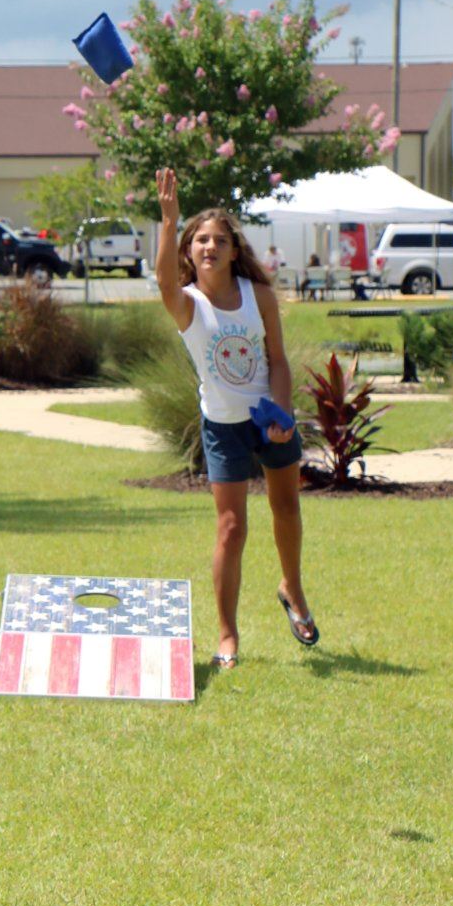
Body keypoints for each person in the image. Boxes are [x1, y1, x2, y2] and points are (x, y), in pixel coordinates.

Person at [155, 166, 318, 670]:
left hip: (268, 417)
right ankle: (227, 636)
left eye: (219, 240)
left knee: (286, 509)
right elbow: (163, 281)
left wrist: (282, 416)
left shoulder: (258, 296)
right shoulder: (187, 304)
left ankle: (291, 587)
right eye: (200, 240)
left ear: (232, 251)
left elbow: (278, 362)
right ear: (189, 252)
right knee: (231, 528)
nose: (210, 247)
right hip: (223, 426)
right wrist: (169, 222)